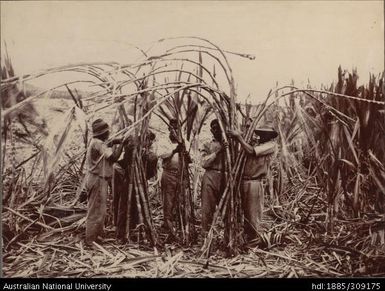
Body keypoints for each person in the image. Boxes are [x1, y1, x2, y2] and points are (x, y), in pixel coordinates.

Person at [227, 121, 278, 242]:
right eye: (261, 133)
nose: (263, 136)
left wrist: (239, 137)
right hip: (242, 181)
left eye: (266, 134)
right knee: (242, 212)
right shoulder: (257, 143)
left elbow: (251, 151)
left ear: (271, 136)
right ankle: (244, 239)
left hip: (254, 183)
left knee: (253, 214)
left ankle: (253, 240)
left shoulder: (271, 145)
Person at [85, 118, 125, 246]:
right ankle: (91, 240)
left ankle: (96, 237)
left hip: (96, 179)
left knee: (99, 210)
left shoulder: (96, 142)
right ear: (102, 134)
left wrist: (117, 140)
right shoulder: (98, 144)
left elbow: (108, 143)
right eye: (107, 132)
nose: (108, 134)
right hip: (98, 179)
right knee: (96, 211)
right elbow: (113, 157)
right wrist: (122, 144)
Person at [113, 129, 158, 243]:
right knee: (125, 208)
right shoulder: (132, 150)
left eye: (150, 141)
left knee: (137, 209)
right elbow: (120, 163)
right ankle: (122, 234)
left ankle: (137, 232)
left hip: (139, 184)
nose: (149, 143)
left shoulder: (150, 156)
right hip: (129, 183)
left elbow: (151, 172)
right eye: (148, 140)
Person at [159, 119, 191, 239]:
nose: (174, 131)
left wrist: (186, 154)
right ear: (169, 129)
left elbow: (190, 160)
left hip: (181, 175)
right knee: (168, 201)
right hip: (169, 174)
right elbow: (162, 155)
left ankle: (181, 227)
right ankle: (169, 227)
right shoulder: (164, 141)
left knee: (181, 200)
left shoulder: (185, 142)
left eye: (176, 128)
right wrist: (174, 151)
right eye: (172, 128)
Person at [200, 119, 228, 233]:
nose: (217, 131)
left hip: (226, 176)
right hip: (210, 175)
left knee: (227, 206)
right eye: (214, 128)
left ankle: (227, 234)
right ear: (211, 130)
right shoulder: (207, 144)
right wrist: (218, 152)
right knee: (207, 208)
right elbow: (204, 162)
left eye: (219, 128)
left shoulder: (230, 144)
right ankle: (206, 234)